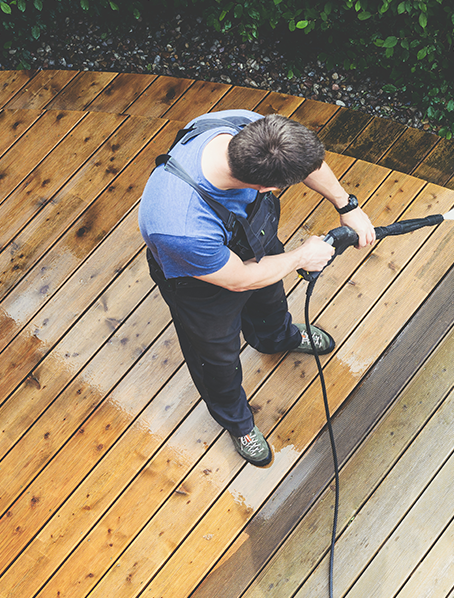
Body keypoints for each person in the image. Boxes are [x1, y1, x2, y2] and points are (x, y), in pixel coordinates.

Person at [139, 110, 375, 467]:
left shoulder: (250, 131)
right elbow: (239, 279)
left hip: (254, 242)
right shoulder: (178, 223)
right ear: (266, 188)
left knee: (270, 302)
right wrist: (301, 257)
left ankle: (277, 339)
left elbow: (308, 163)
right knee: (216, 358)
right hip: (200, 283)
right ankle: (238, 423)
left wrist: (347, 205)